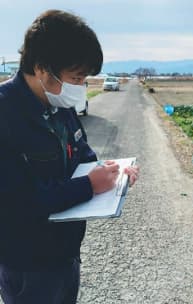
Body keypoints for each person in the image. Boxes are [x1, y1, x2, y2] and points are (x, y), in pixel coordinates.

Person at [0, 10, 139, 304]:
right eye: (76, 77)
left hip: (66, 252)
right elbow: (16, 202)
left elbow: (82, 154)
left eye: (85, 78)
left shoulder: (59, 103)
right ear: (41, 69)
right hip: (28, 262)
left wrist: (112, 172)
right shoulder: (5, 115)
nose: (80, 86)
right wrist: (89, 186)